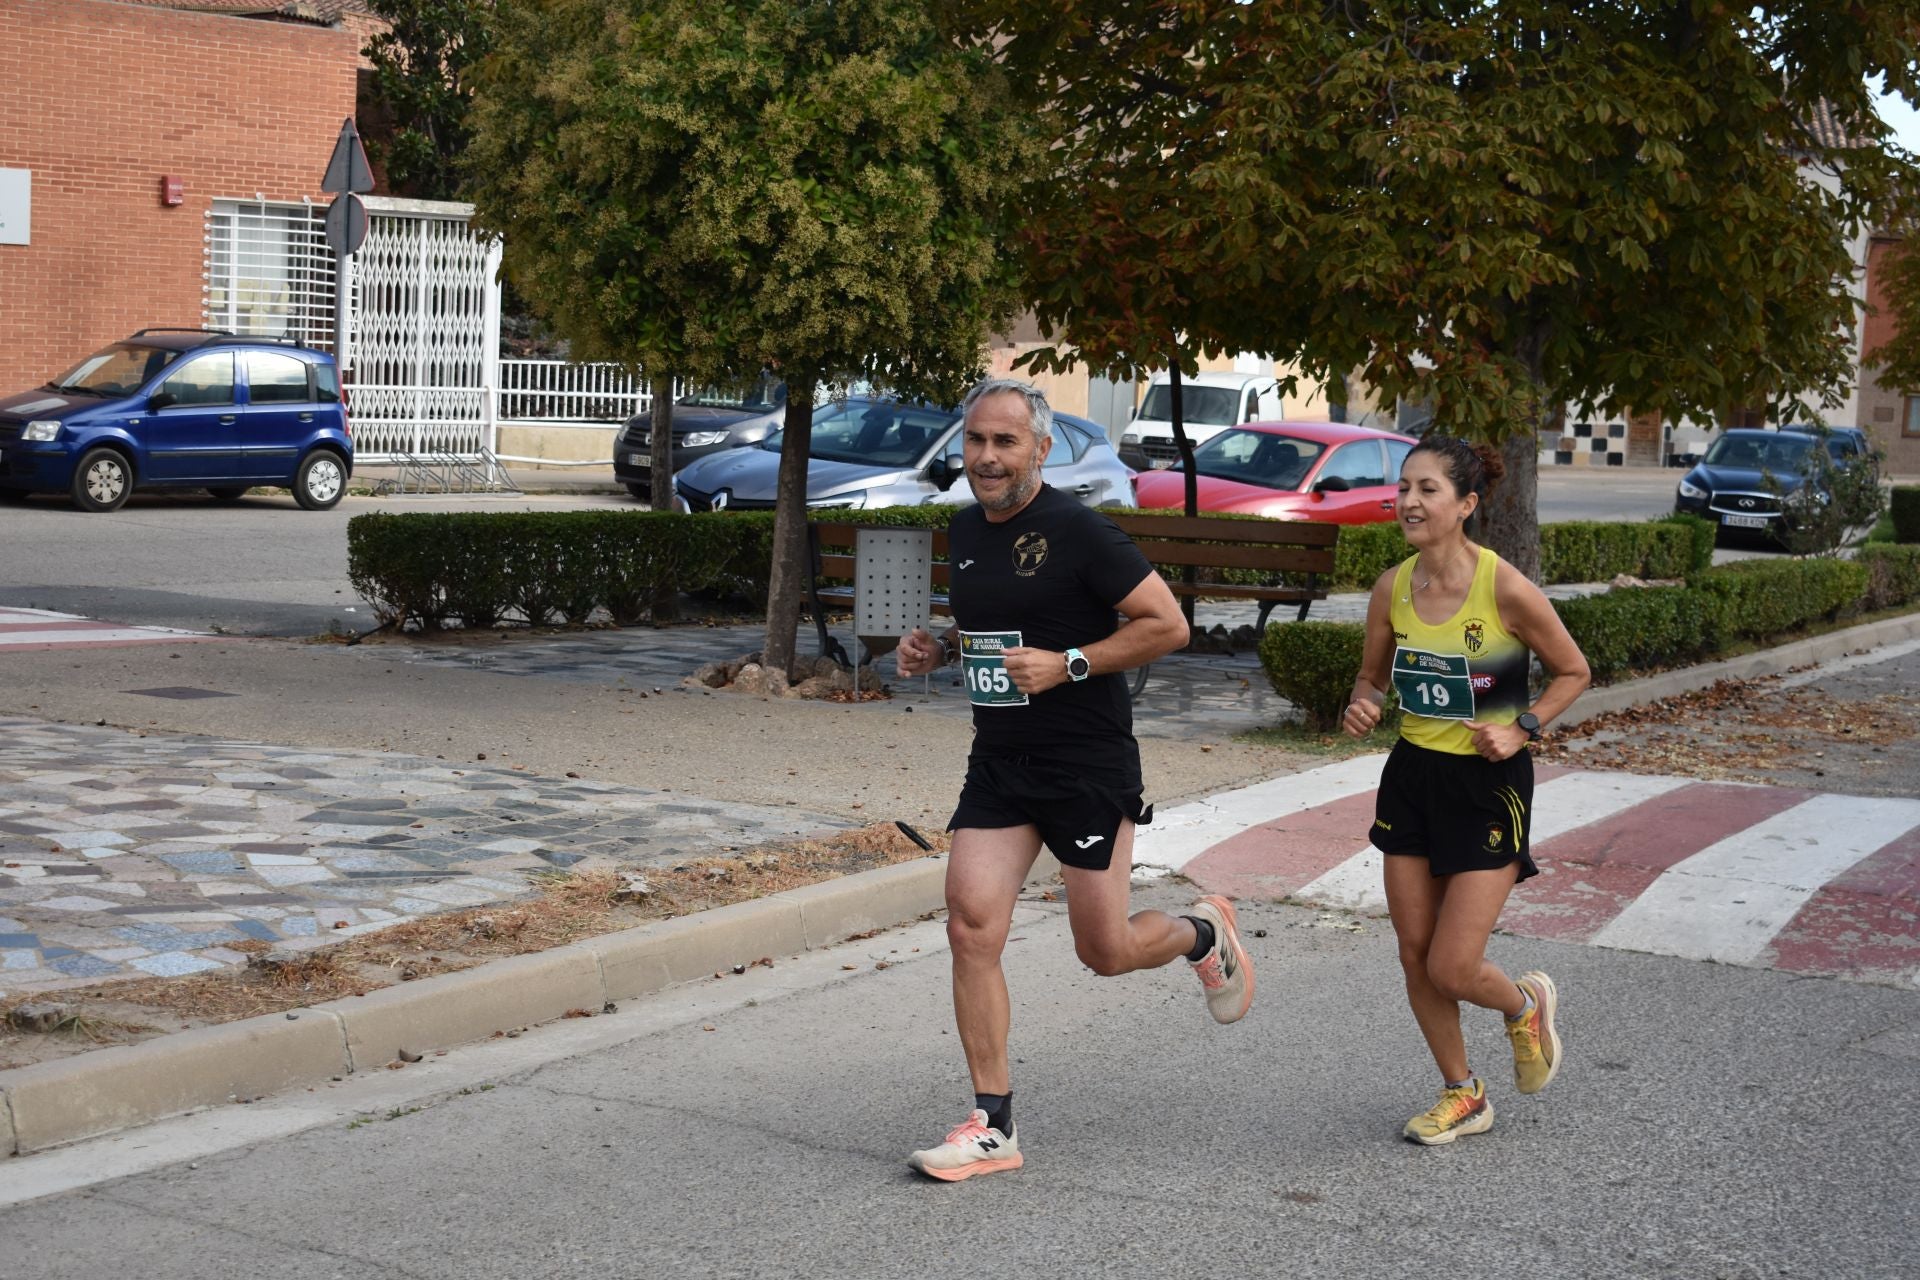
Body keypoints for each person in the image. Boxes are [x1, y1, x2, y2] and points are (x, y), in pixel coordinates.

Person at [894, 377, 1256, 1182]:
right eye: (976, 441)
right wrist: (940, 649)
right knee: (970, 925)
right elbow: (994, 627)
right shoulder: (966, 528)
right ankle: (994, 1125)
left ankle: (1203, 933)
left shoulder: (1082, 531)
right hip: (1001, 761)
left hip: (1086, 766)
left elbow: (1168, 625)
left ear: (1040, 448)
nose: (986, 458)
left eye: (1005, 442)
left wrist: (1072, 664)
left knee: (1106, 949)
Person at [1342, 436, 1591, 1145]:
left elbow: (1574, 671)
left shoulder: (1504, 586)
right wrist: (1362, 701)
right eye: (1405, 488)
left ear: (1467, 504)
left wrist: (1524, 727)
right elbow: (1372, 677)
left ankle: (1523, 1005)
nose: (1410, 502)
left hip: (1488, 785)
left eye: (1428, 490)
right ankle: (1463, 1093)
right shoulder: (1393, 586)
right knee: (1414, 952)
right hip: (1413, 777)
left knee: (1453, 964)